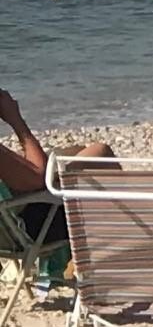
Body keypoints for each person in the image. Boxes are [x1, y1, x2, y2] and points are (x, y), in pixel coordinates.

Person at [0, 89, 116, 241]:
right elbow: (39, 177)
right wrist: (16, 120)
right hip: (36, 228)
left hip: (10, 221)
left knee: (76, 152)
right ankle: (121, 230)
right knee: (101, 152)